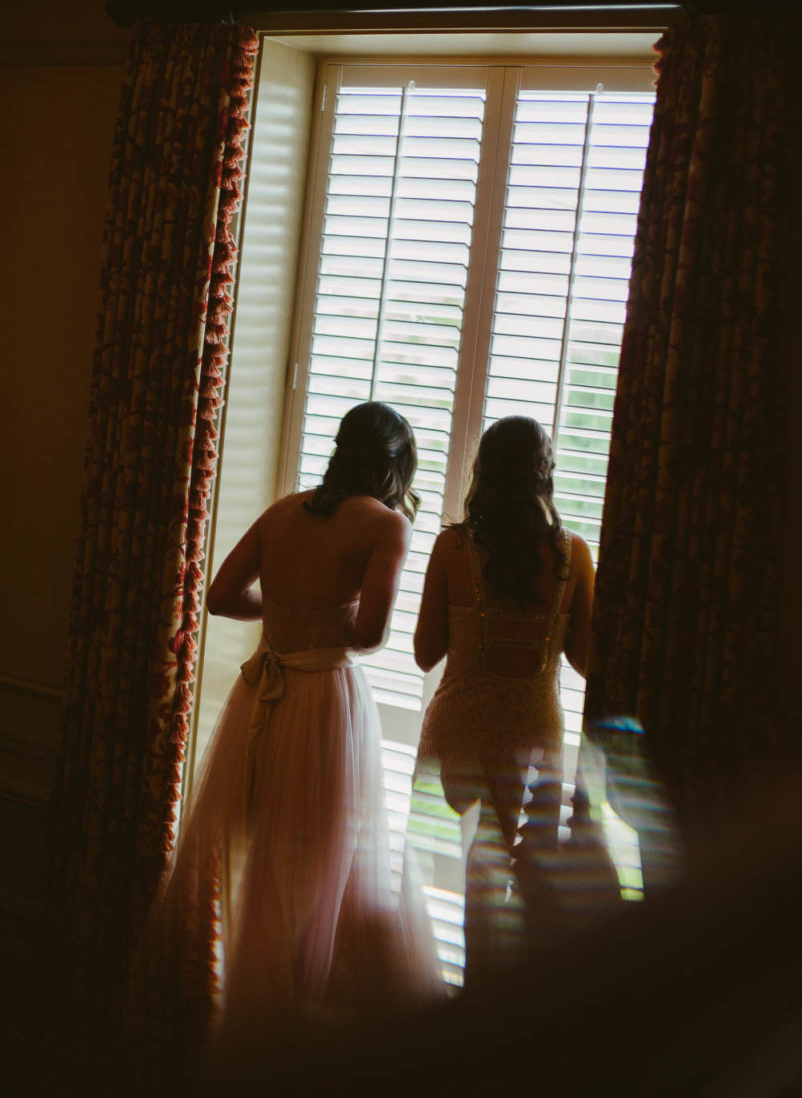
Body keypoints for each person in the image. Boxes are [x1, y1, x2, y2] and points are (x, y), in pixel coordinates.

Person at [133, 401, 442, 1081]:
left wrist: (283, 612)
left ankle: (247, 1026)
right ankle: (287, 1047)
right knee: (319, 871)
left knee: (263, 865)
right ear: (395, 464)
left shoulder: (283, 512)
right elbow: (367, 637)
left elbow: (218, 597)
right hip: (324, 704)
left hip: (263, 698)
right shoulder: (387, 525)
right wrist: (324, 617)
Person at [412, 415, 596, 983]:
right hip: (532, 737)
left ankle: (476, 999)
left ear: (483, 471)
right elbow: (586, 661)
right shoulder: (574, 555)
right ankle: (511, 1010)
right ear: (545, 472)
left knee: (478, 873)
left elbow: (424, 653)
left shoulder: (452, 547)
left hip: (460, 732)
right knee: (525, 878)